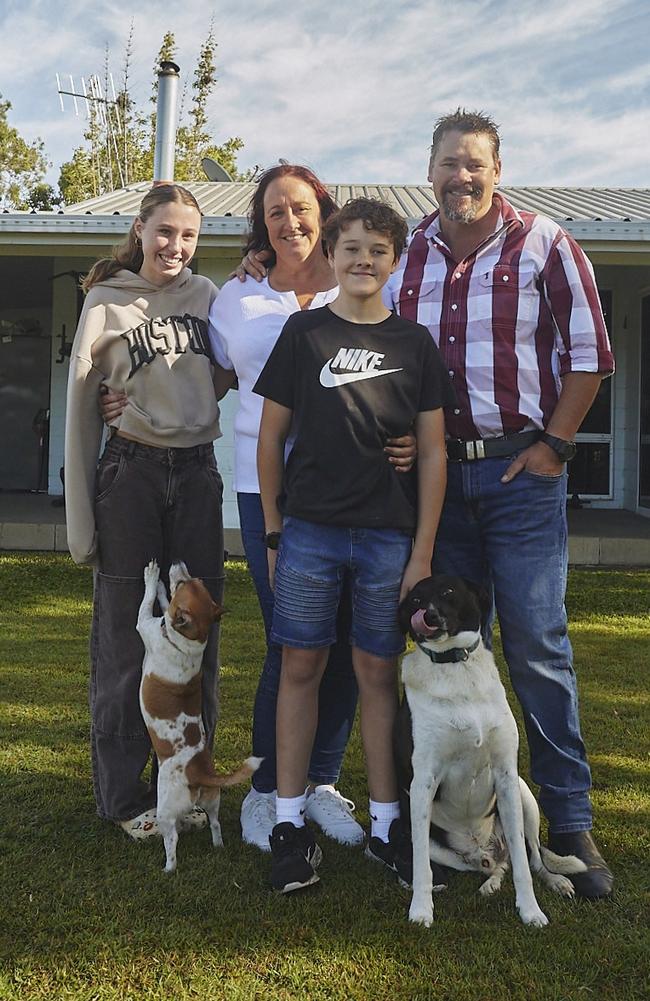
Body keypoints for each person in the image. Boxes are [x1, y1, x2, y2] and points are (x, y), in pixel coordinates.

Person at [386, 109, 615, 899]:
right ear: (431, 172)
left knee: (536, 643)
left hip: (522, 473)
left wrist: (554, 443)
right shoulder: (406, 255)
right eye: (449, 163)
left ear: (498, 169)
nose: (462, 177)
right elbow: (377, 350)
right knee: (440, 645)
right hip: (441, 481)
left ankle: (569, 818)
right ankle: (429, 816)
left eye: (475, 163)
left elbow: (590, 356)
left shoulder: (548, 243)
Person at [207, 166, 416, 852]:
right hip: (266, 486)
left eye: (299, 209)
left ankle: (321, 781)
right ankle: (270, 791)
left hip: (357, 488)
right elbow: (205, 379)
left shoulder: (354, 278)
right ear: (259, 226)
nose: (289, 222)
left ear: (322, 213)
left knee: (355, 640)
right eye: (274, 213)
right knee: (292, 645)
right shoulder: (237, 295)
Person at [254, 197, 454, 892]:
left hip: (386, 538)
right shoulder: (304, 335)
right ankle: (286, 820)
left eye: (377, 250)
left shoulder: (414, 345)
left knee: (376, 673)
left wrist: (421, 552)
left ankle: (388, 823)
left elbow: (432, 453)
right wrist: (276, 532)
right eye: (351, 248)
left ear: (394, 261)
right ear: (330, 256)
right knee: (300, 665)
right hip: (308, 532)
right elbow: (269, 438)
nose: (363, 260)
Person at [65, 184, 225, 839]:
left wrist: (190, 407)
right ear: (141, 228)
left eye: (187, 236)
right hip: (129, 474)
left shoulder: (208, 298)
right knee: (126, 638)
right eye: (165, 232)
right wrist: (81, 522)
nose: (176, 246)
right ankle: (124, 796)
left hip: (196, 477)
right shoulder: (104, 304)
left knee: (197, 637)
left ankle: (191, 783)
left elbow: (231, 369)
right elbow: (81, 406)